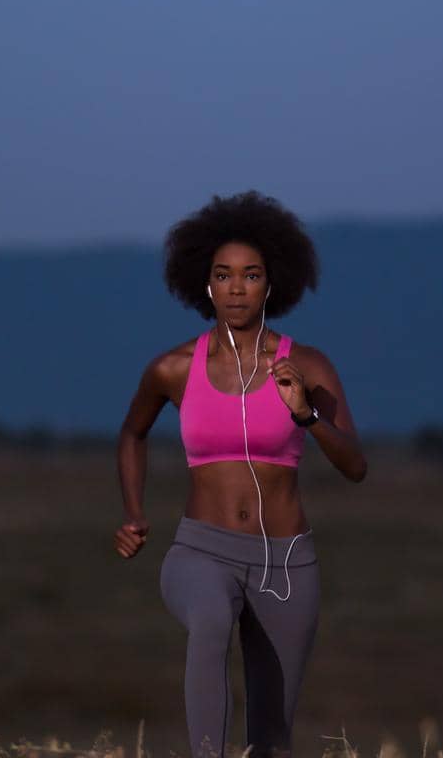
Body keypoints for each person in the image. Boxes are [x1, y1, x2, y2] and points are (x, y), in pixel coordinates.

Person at [115, 190, 367, 758]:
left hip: (286, 561)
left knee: (272, 738)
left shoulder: (308, 365)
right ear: (204, 284)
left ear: (271, 284)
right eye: (223, 275)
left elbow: (355, 465)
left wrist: (307, 415)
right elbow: (131, 433)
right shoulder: (173, 368)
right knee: (208, 624)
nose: (235, 287)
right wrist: (134, 512)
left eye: (250, 275)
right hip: (200, 552)